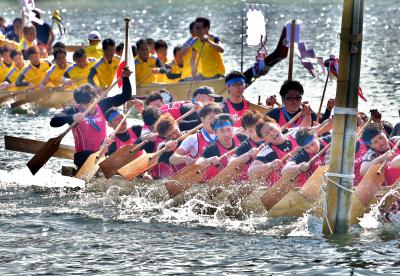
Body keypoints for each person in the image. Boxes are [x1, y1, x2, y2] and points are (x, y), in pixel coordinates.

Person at [49, 67, 132, 168]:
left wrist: (126, 78)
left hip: (102, 153)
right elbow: (53, 121)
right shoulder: (74, 110)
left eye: (91, 102)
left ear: (95, 98)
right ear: (79, 103)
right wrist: (72, 117)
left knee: (113, 149)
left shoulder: (102, 104)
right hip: (83, 157)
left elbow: (125, 96)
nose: (90, 107)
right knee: (92, 156)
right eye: (85, 104)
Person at [249, 116, 300, 186]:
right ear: (264, 139)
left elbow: (314, 131)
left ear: (278, 126)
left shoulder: (295, 135)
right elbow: (250, 171)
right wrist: (270, 165)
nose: (272, 133)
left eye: (272, 128)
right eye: (267, 134)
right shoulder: (267, 152)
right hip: (284, 187)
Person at [196, 114, 248, 182]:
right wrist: (209, 159)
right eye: (222, 131)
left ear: (232, 129)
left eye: (228, 130)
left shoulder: (242, 138)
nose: (226, 134)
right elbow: (198, 162)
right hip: (226, 183)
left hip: (245, 180)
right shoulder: (212, 148)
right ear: (215, 133)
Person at [169, 103, 222, 167]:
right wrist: (185, 159)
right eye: (211, 118)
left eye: (217, 118)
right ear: (202, 119)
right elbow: (172, 159)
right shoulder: (193, 139)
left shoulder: (229, 133)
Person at [266, 80, 332, 128]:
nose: (294, 101)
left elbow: (323, 125)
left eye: (297, 98)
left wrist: (328, 109)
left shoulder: (307, 112)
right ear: (283, 98)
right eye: (290, 98)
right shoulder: (273, 115)